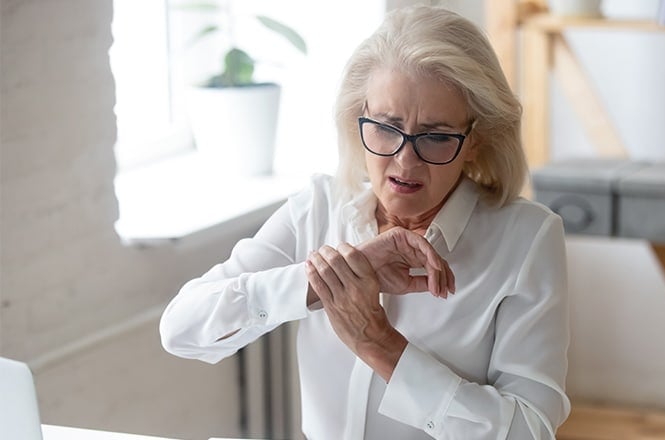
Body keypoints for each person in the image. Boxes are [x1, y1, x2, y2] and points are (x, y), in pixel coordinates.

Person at [160, 5, 570, 439]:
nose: (404, 160)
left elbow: (529, 430)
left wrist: (380, 345)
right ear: (359, 117)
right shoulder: (318, 207)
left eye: (434, 136)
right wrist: (326, 282)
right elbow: (182, 329)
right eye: (386, 127)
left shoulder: (526, 238)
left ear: (474, 140)